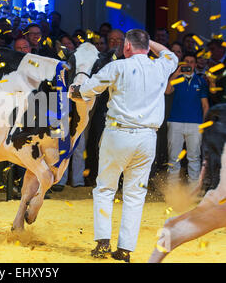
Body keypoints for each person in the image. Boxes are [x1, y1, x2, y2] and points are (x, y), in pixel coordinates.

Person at [70, 29, 178, 262]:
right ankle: (125, 250)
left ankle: (102, 244)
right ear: (148, 47)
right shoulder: (160, 66)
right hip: (148, 138)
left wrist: (74, 92)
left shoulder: (117, 67)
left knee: (105, 189)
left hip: (118, 135)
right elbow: (170, 55)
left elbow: (87, 91)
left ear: (127, 47)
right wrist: (150, 43)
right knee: (135, 194)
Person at [165, 53, 209, 188]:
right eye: (186, 61)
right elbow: (167, 91)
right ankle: (172, 192)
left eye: (192, 62)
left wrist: (204, 125)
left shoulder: (201, 81)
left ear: (195, 64)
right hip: (175, 122)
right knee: (173, 158)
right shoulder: (177, 79)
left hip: (195, 124)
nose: (189, 64)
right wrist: (176, 74)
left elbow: (205, 105)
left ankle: (193, 192)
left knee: (194, 158)